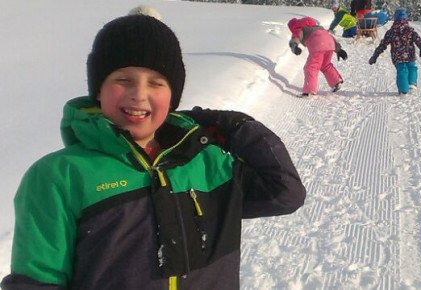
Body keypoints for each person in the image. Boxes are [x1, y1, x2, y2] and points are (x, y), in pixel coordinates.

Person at [0, 14, 306, 290]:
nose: (139, 94)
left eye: (156, 82)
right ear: (98, 89)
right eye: (123, 80)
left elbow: (285, 192)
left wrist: (234, 126)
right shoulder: (59, 176)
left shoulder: (206, 161)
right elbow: (36, 282)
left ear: (172, 97)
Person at [368, 8, 421, 95]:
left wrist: (375, 55)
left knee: (402, 71)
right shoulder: (410, 30)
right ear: (406, 19)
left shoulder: (391, 32)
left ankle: (403, 90)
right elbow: (418, 40)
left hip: (398, 57)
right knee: (412, 68)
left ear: (395, 19)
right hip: (410, 56)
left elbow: (382, 45)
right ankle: (412, 84)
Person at [288, 16, 347, 96]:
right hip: (330, 44)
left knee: (311, 67)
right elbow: (329, 36)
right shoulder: (318, 27)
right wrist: (339, 50)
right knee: (325, 64)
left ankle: (309, 91)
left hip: (318, 45)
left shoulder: (298, 27)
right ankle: (336, 82)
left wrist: (294, 46)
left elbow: (296, 37)